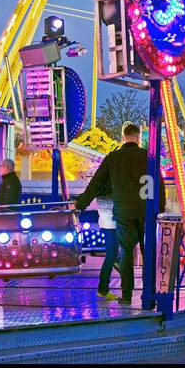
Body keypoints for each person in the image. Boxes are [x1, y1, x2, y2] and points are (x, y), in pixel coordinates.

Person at [73, 122, 148, 305]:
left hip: (122, 211)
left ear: (122, 137)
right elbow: (154, 183)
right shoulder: (147, 156)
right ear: (139, 138)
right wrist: (156, 207)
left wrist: (80, 204)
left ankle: (127, 295)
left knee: (125, 252)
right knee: (147, 252)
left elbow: (95, 184)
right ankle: (150, 292)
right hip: (143, 209)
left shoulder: (113, 158)